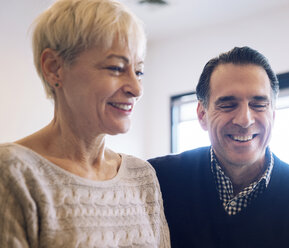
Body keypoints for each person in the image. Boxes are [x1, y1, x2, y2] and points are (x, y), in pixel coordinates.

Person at [149, 46, 289, 247]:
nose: (244, 120)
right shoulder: (156, 181)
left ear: (273, 116)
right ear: (202, 115)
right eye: (228, 104)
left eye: (258, 104)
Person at [0, 0, 170, 247]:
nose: (136, 88)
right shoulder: (14, 172)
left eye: (139, 71)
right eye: (115, 68)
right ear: (54, 68)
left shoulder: (141, 176)